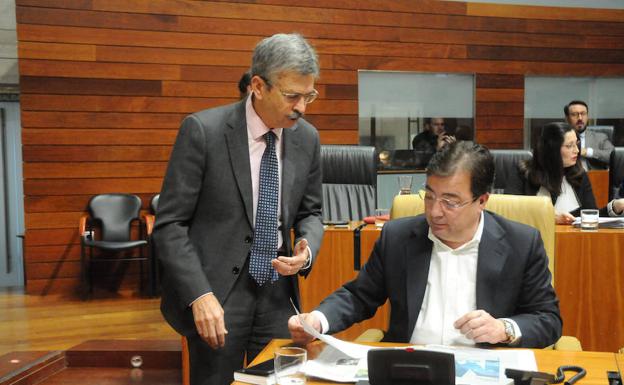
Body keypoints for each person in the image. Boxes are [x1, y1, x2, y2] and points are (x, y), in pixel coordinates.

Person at [153, 33, 324, 385]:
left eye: (309, 96)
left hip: (278, 289)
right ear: (258, 86)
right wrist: (198, 295)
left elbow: (311, 213)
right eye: (292, 95)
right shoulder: (203, 131)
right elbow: (170, 225)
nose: (302, 107)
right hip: (218, 290)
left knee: (283, 380)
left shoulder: (307, 138)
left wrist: (306, 249)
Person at [289, 141, 562, 349]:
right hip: (411, 367)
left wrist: (504, 328)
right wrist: (317, 320)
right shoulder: (398, 236)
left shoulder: (521, 243)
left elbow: (548, 320)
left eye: (450, 201)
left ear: (482, 200)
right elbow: (359, 296)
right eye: (430, 196)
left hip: (484, 370)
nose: (435, 211)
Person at [507, 122, 624, 224]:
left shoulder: (579, 175)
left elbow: (590, 217)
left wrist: (614, 207)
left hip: (570, 243)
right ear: (551, 149)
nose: (577, 151)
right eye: (569, 146)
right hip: (531, 242)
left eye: (576, 144)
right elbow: (508, 212)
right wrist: (547, 217)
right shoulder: (523, 173)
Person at [564, 100, 614, 170]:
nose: (580, 118)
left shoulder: (600, 137)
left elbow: (613, 156)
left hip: (594, 178)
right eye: (574, 114)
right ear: (567, 118)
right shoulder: (560, 138)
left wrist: (587, 151)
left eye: (583, 114)